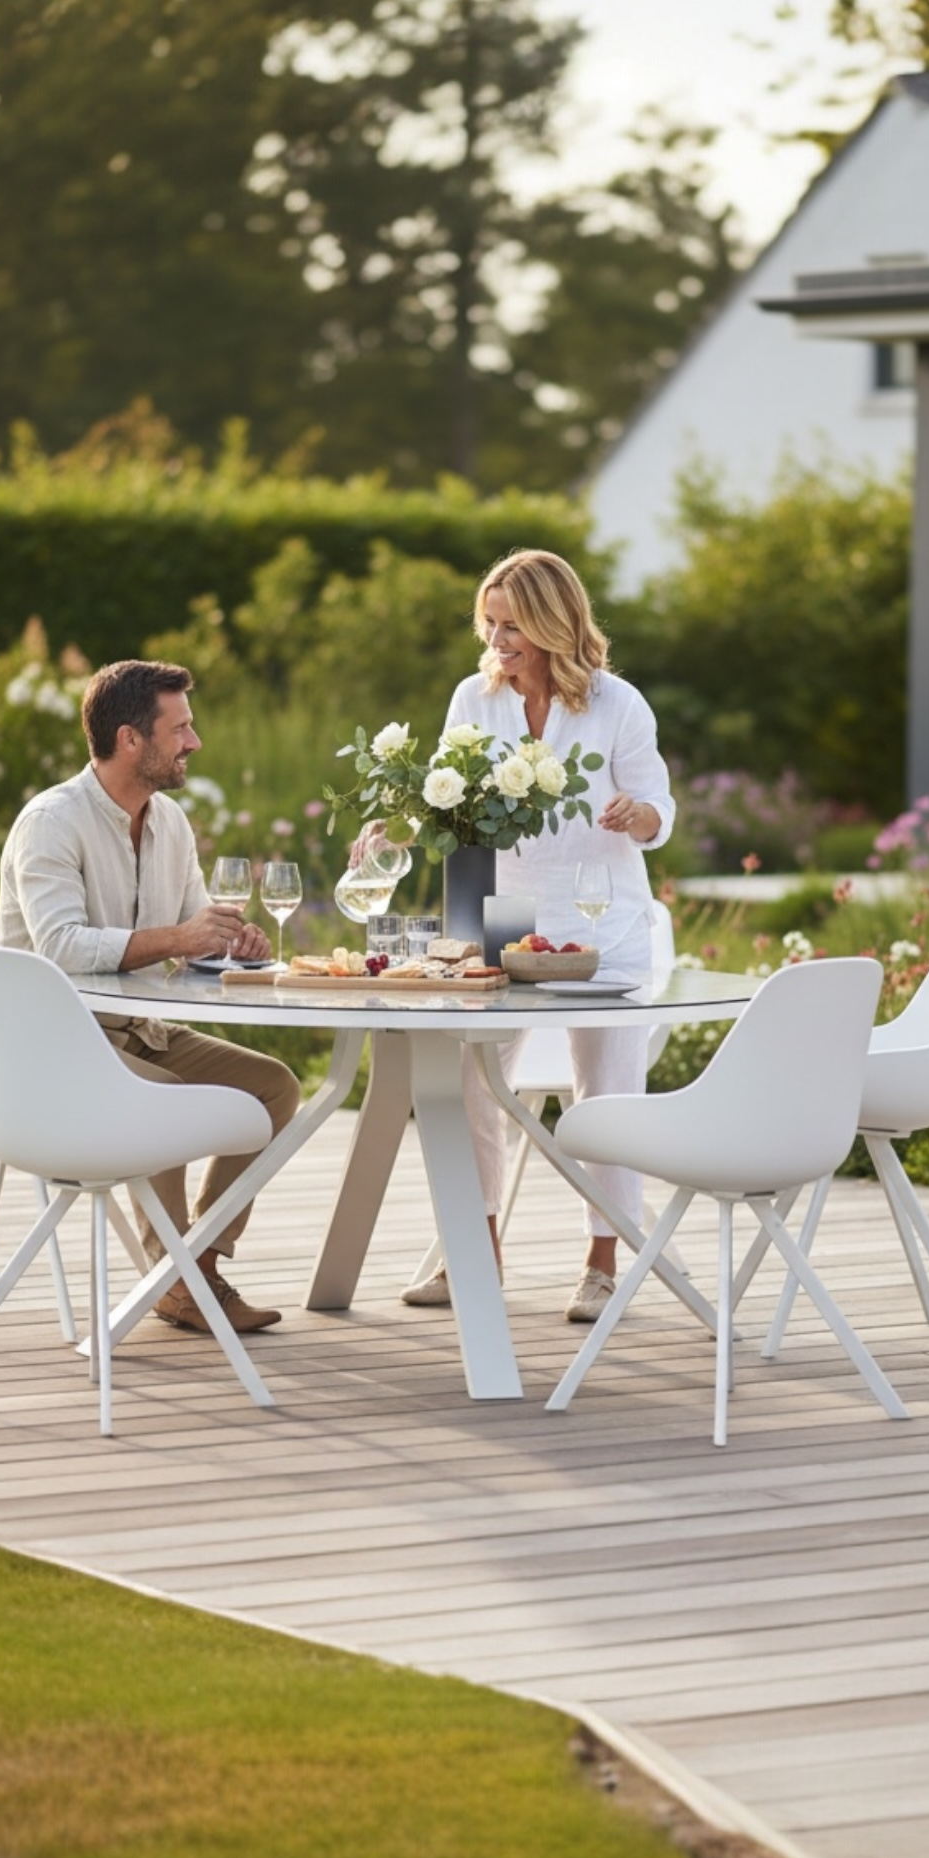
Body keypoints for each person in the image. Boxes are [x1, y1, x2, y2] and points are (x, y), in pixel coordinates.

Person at [403, 550, 675, 1322]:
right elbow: (446, 806)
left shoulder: (617, 705)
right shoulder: (472, 697)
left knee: (607, 1095)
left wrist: (640, 816)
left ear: (555, 622)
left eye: (511, 623)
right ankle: (474, 1250)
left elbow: (658, 808)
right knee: (465, 1082)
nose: (495, 637)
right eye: (487, 621)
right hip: (502, 915)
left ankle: (601, 1261)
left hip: (598, 919)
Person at [0, 659, 302, 1334]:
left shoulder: (170, 824)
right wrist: (177, 937)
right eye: (181, 728)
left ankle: (197, 1267)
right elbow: (60, 948)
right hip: (57, 1045)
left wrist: (227, 942)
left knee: (274, 1088)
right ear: (132, 739)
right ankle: (181, 1277)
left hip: (142, 1031)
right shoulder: (51, 823)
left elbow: (189, 939)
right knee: (161, 1094)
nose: (194, 742)